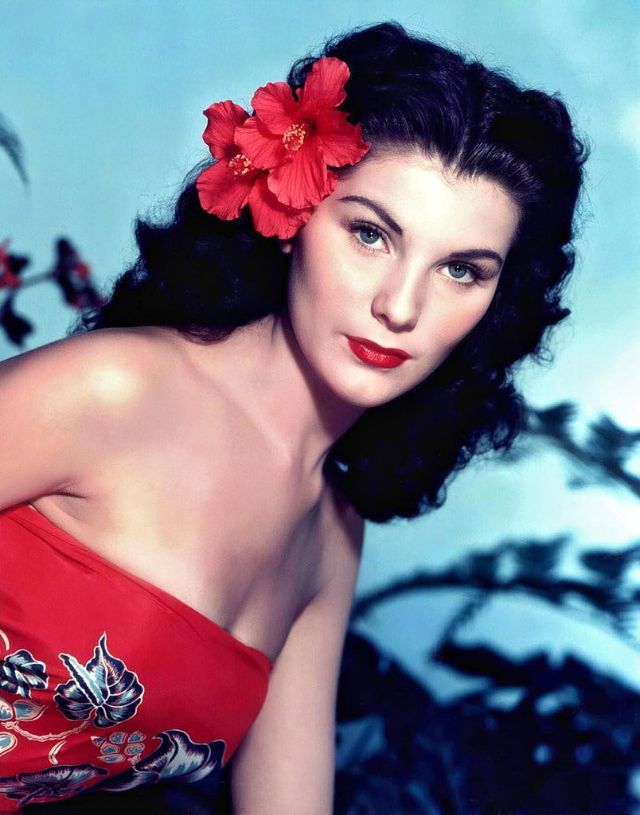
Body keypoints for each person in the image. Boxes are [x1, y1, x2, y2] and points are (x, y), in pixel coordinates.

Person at [0, 20, 586, 814]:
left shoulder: (330, 537)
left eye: (461, 270)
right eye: (370, 234)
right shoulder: (113, 389)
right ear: (292, 213)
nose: (400, 306)